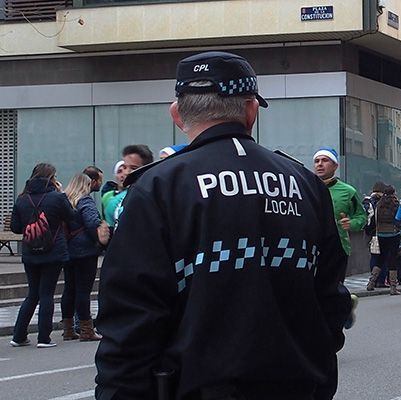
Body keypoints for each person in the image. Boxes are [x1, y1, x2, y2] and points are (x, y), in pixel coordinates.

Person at [94, 51, 352, 399]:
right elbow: (331, 295)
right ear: (251, 110)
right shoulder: (304, 183)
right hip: (298, 384)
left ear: (177, 114)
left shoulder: (157, 187)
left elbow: (129, 315)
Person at [9, 163, 74, 348]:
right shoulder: (57, 198)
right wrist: (61, 194)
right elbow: (72, 217)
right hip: (53, 252)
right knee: (47, 294)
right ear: (51, 178)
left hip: (30, 252)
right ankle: (44, 338)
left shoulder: (22, 199)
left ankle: (18, 336)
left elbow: (15, 227)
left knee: (32, 294)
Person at [62, 173, 104, 342]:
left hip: (67, 250)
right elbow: (92, 222)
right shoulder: (85, 201)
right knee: (83, 291)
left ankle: (68, 329)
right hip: (85, 251)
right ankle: (87, 329)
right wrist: (99, 239)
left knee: (69, 289)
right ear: (85, 185)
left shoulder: (65, 201)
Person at [313, 148, 367, 277]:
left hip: (337, 248)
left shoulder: (348, 191)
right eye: (317, 161)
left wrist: (351, 223)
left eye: (325, 160)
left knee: (333, 286)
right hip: (310, 247)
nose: (320, 164)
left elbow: (361, 216)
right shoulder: (305, 186)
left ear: (335, 166)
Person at [375, 185, 401, 295]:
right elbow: (398, 218)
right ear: (394, 192)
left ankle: (371, 282)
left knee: (381, 258)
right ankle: (393, 287)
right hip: (393, 233)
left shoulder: (379, 203)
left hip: (381, 233)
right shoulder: (395, 203)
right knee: (392, 259)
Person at [364, 181, 388, 291]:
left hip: (371, 234)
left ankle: (374, 280)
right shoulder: (379, 202)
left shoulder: (367, 201)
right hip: (379, 232)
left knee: (374, 257)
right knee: (382, 257)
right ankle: (380, 280)